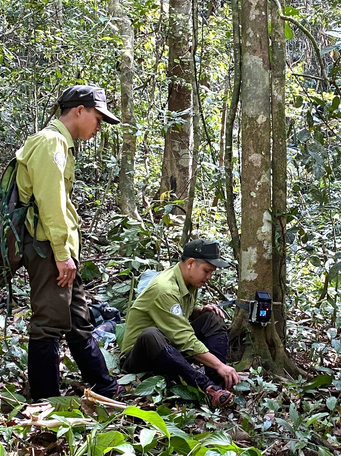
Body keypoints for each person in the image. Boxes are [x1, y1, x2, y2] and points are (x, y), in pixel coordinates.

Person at [16, 85, 122, 401]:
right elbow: (51, 203)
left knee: (77, 320)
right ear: (79, 110)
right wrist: (62, 254)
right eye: (98, 118)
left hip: (58, 249)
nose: (99, 126)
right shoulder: (50, 143)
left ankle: (104, 385)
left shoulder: (61, 144)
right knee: (48, 326)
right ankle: (45, 402)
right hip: (47, 247)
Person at [120, 239, 240, 408]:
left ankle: (220, 382)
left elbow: (178, 316)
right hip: (140, 357)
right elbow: (184, 338)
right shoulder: (164, 288)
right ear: (191, 263)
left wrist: (198, 312)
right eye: (206, 271)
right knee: (150, 335)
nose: (209, 277)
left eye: (211, 272)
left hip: (169, 348)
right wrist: (219, 364)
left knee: (212, 319)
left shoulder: (189, 282)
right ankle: (207, 387)